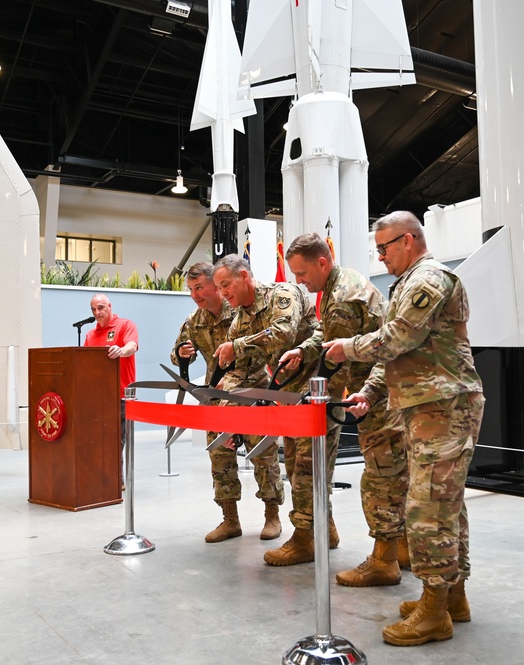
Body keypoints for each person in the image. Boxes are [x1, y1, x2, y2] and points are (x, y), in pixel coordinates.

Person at [324, 211, 484, 647]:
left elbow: (395, 339)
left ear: (409, 240)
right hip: (424, 406)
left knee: (428, 507)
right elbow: (395, 354)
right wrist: (372, 393)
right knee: (444, 503)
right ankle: (452, 597)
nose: (381, 256)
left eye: (384, 247)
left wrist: (345, 349)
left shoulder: (429, 280)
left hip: (444, 407)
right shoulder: (408, 283)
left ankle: (435, 611)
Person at [280, 232, 410, 587]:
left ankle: (384, 560)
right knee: (395, 475)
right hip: (384, 389)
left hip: (378, 394)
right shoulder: (341, 284)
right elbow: (327, 338)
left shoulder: (340, 297)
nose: (299, 282)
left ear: (322, 262)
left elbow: (339, 362)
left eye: (302, 273)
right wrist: (303, 352)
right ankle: (403, 549)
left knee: (381, 478)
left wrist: (318, 407)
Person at [212, 254, 329, 565]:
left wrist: (235, 346)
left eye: (226, 284)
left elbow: (283, 332)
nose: (223, 293)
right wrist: (227, 416)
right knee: (295, 465)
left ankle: (306, 537)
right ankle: (324, 528)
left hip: (316, 385)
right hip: (287, 395)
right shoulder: (239, 319)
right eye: (219, 288)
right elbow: (239, 372)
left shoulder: (282, 295)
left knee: (306, 467)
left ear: (244, 276)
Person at [170, 262, 266, 543]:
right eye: (191, 290)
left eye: (199, 288)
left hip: (252, 393)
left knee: (263, 456)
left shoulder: (240, 311)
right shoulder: (194, 321)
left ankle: (271, 516)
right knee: (220, 459)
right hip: (217, 398)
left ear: (216, 285)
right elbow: (176, 354)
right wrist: (183, 353)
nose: (195, 295)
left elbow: (261, 348)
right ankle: (230, 520)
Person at [84, 293, 138, 397]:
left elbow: (132, 346)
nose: (97, 313)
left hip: (122, 396)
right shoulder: (90, 335)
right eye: (93, 309)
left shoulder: (125, 325)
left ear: (110, 306)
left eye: (100, 308)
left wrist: (120, 351)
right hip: (96, 396)